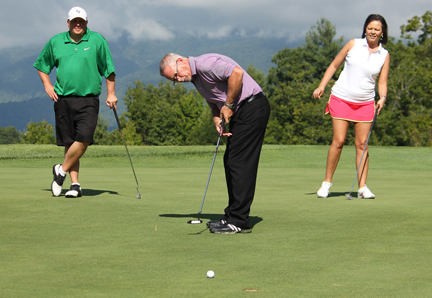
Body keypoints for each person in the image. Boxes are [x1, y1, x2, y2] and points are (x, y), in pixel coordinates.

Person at [160, 53, 270, 234]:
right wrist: (216, 117)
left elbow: (237, 73)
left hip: (252, 107)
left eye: (176, 75)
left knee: (239, 162)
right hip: (240, 111)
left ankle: (239, 220)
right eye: (174, 80)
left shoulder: (206, 64)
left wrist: (228, 105)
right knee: (231, 161)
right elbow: (212, 99)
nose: (179, 80)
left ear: (180, 61)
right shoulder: (195, 78)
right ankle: (232, 215)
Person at [33, 7, 118, 198]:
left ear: (87, 23)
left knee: (84, 138)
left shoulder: (97, 40)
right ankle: (75, 185)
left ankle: (60, 171)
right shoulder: (56, 41)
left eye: (81, 21)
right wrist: (47, 85)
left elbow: (109, 69)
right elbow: (41, 65)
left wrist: (111, 94)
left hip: (88, 99)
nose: (77, 24)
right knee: (69, 142)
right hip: (62, 99)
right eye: (74, 21)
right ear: (68, 22)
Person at [313, 14, 390, 199]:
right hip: (341, 98)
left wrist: (383, 97)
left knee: (362, 144)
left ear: (382, 33)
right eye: (370, 28)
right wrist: (322, 85)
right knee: (338, 141)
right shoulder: (353, 44)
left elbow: (382, 82)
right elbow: (333, 65)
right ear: (365, 29)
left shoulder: (384, 55)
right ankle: (326, 184)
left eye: (377, 29)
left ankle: (362, 188)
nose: (373, 31)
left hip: (365, 103)